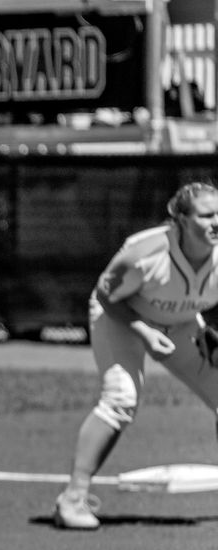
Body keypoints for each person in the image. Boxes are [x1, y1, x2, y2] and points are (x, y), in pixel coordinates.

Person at [54, 182, 218, 529]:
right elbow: (107, 295)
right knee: (121, 398)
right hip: (122, 318)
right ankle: (72, 499)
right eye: (207, 215)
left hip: (181, 324)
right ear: (183, 220)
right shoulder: (146, 253)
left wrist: (204, 330)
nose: (216, 221)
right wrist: (144, 330)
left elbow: (196, 297)